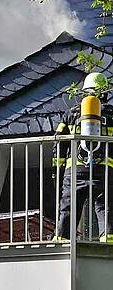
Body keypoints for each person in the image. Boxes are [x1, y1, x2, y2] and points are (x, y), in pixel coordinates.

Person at [53, 72, 113, 242]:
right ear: (105, 92)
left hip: (75, 171)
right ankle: (108, 240)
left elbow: (58, 143)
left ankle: (61, 239)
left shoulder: (71, 114)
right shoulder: (112, 115)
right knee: (105, 207)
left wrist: (56, 171)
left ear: (84, 92)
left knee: (68, 208)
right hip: (105, 171)